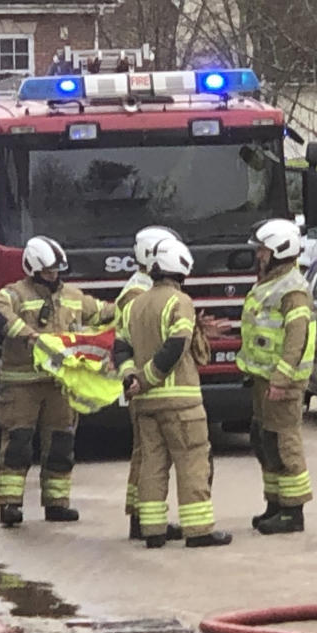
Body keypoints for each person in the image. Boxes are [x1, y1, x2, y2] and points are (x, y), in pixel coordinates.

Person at [0, 236, 115, 526]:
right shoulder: (15, 294)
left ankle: (57, 503)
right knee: (18, 442)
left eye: (56, 271)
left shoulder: (73, 296)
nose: (53, 276)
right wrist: (27, 333)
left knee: (61, 443)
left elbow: (103, 312)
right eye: (47, 272)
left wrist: (132, 305)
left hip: (59, 384)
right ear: (32, 269)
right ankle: (10, 505)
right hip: (22, 385)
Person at [114, 238, 232, 549]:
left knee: (152, 465)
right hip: (180, 402)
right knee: (192, 462)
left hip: (144, 404)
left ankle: (153, 531)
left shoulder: (135, 304)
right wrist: (149, 378)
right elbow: (177, 345)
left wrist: (131, 379)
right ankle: (198, 531)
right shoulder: (180, 302)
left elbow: (121, 347)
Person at [238, 219, 316, 535]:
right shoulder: (271, 282)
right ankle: (275, 504)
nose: (259, 255)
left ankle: (292, 512)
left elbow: (297, 338)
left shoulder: (292, 290)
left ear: (280, 250)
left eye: (264, 250)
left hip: (281, 383)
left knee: (285, 443)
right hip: (264, 379)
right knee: (265, 440)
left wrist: (282, 379)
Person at [118, 225, 184, 542]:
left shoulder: (141, 287)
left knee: (144, 455)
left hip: (143, 385)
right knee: (148, 457)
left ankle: (140, 517)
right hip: (152, 386)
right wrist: (141, 379)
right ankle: (144, 518)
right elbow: (136, 341)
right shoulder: (139, 293)